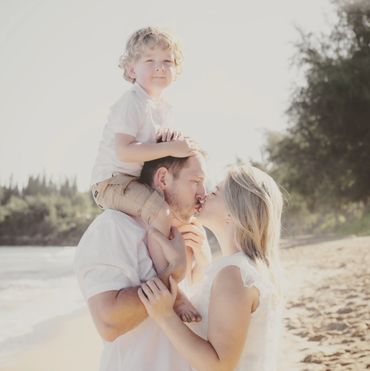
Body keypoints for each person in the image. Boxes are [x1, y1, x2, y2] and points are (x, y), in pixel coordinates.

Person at [74, 149, 210, 371]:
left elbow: (197, 321)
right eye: (196, 181)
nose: (203, 193)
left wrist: (203, 264)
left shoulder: (185, 234)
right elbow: (108, 322)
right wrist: (174, 272)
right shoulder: (113, 228)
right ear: (163, 178)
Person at [139, 165, 284, 371]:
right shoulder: (243, 269)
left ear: (233, 213)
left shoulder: (234, 274)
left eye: (215, 192)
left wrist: (165, 317)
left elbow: (219, 365)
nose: (203, 195)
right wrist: (203, 262)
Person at [91, 26, 196, 276]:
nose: (159, 67)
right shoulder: (132, 102)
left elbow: (160, 148)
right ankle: (165, 279)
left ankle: (192, 267)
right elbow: (125, 152)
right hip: (112, 182)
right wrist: (170, 147)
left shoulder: (165, 109)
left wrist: (174, 142)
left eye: (167, 61)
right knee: (161, 212)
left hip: (138, 180)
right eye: (149, 60)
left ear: (176, 69)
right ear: (131, 69)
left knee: (180, 214)